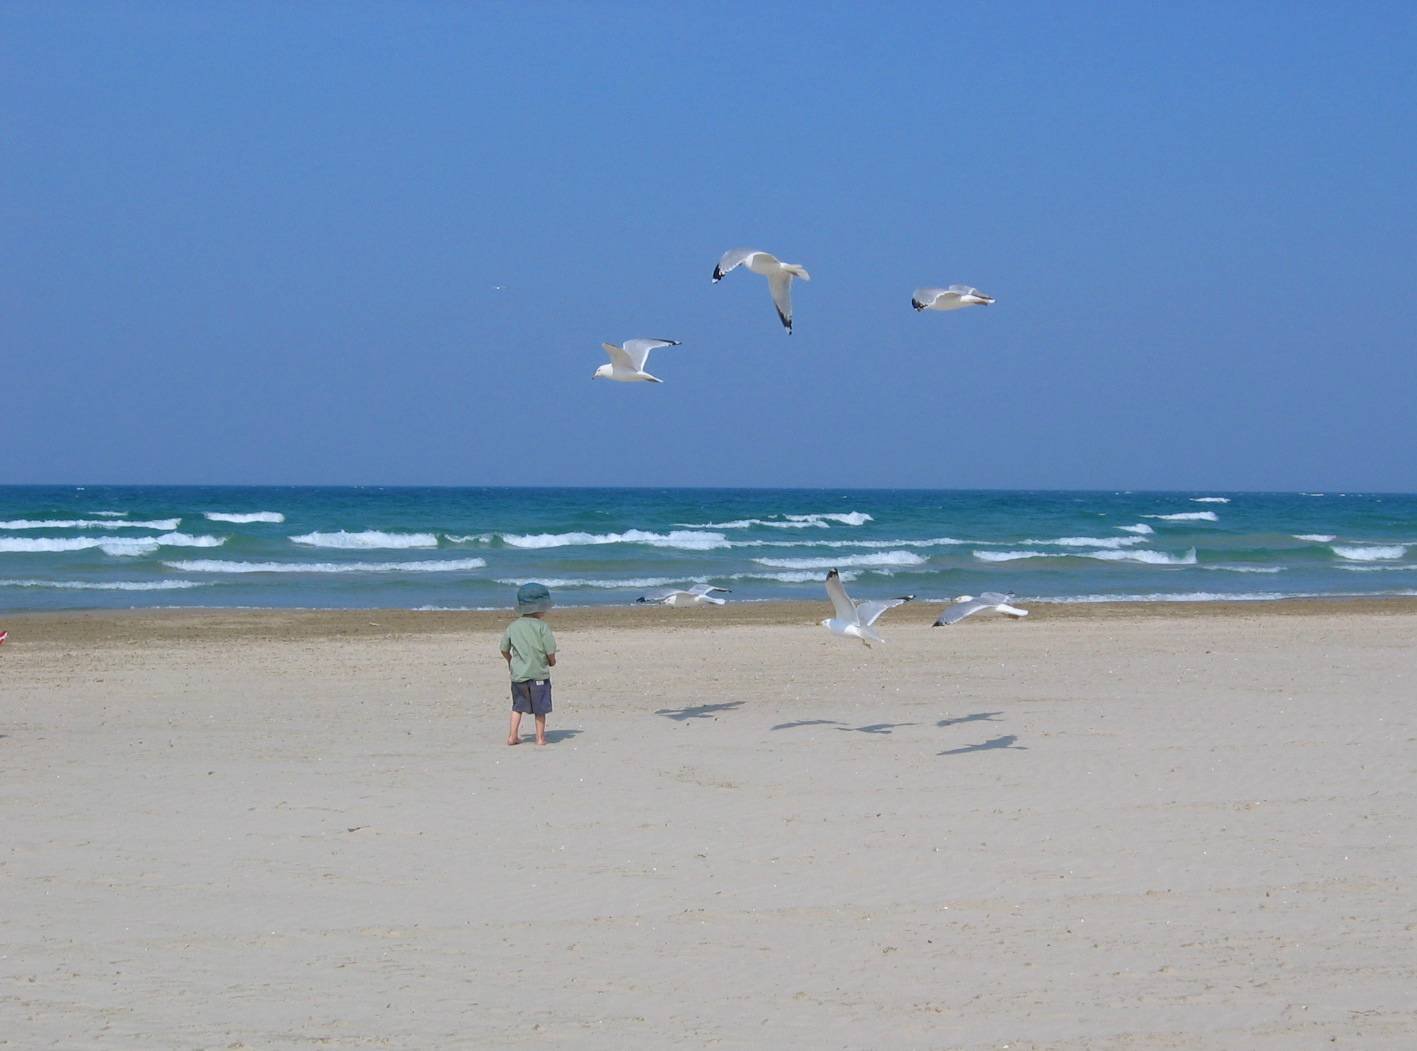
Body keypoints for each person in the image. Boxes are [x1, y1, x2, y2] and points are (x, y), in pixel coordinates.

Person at [499, 582, 557, 746]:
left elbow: (503, 648)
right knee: (540, 709)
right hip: (538, 673)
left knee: (518, 706)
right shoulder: (542, 627)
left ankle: (512, 736)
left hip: (519, 675)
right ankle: (540, 738)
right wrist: (552, 662)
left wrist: (511, 661)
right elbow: (550, 650)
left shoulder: (513, 627)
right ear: (541, 607)